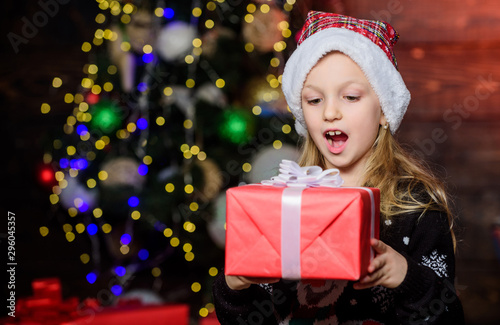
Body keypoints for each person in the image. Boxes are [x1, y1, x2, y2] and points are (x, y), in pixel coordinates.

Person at [213, 11, 465, 324]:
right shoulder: (286, 205)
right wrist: (233, 287)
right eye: (314, 100)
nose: (330, 112)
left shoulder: (414, 206)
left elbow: (448, 316)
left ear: (384, 110)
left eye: (350, 96)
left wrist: (405, 276)